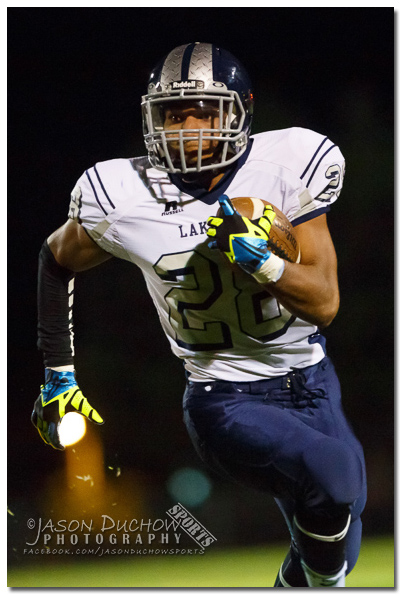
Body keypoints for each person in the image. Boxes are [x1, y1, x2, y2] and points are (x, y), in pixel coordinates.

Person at [32, 42, 367, 587]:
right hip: (225, 396)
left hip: (311, 379)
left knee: (336, 532)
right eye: (172, 114)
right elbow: (54, 259)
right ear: (151, 120)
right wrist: (58, 372)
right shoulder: (120, 195)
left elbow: (325, 303)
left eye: (203, 113)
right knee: (337, 477)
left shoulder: (289, 166)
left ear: (238, 114)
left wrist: (263, 265)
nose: (186, 128)